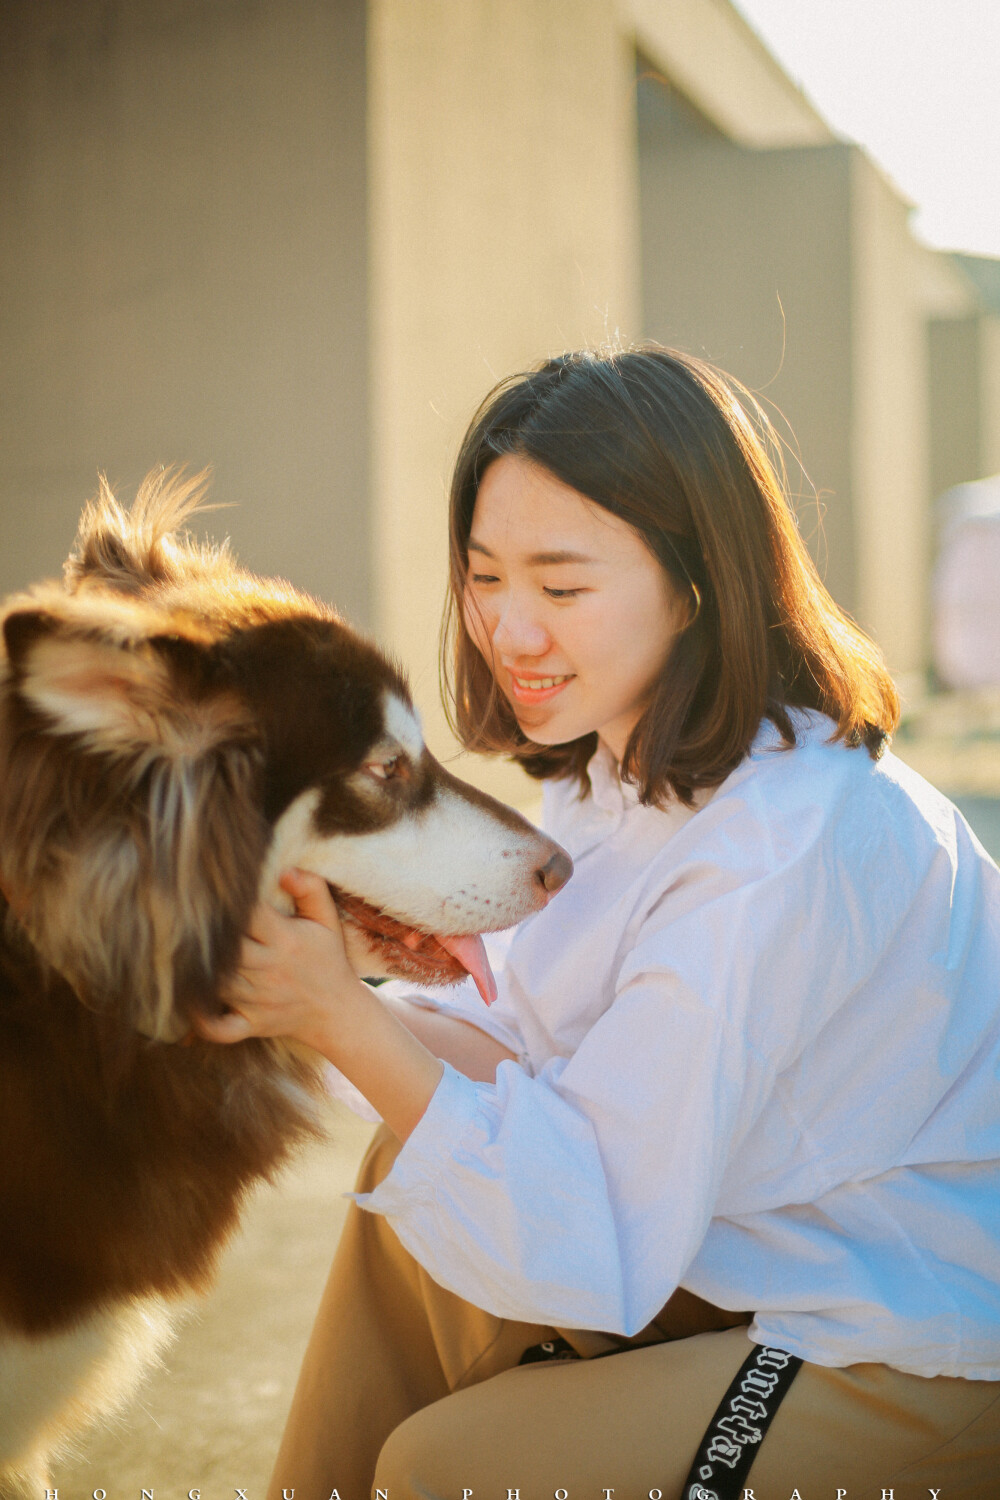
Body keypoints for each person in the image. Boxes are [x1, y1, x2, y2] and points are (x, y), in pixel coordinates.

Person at [198, 347, 1000, 1498]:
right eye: (483, 578)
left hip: (904, 1336)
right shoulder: (615, 776)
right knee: (413, 1188)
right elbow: (530, 1059)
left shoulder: (782, 839)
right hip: (751, 1261)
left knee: (448, 1469)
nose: (509, 632)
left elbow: (598, 1234)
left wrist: (342, 1020)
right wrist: (329, 989)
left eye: (561, 589)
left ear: (696, 581)